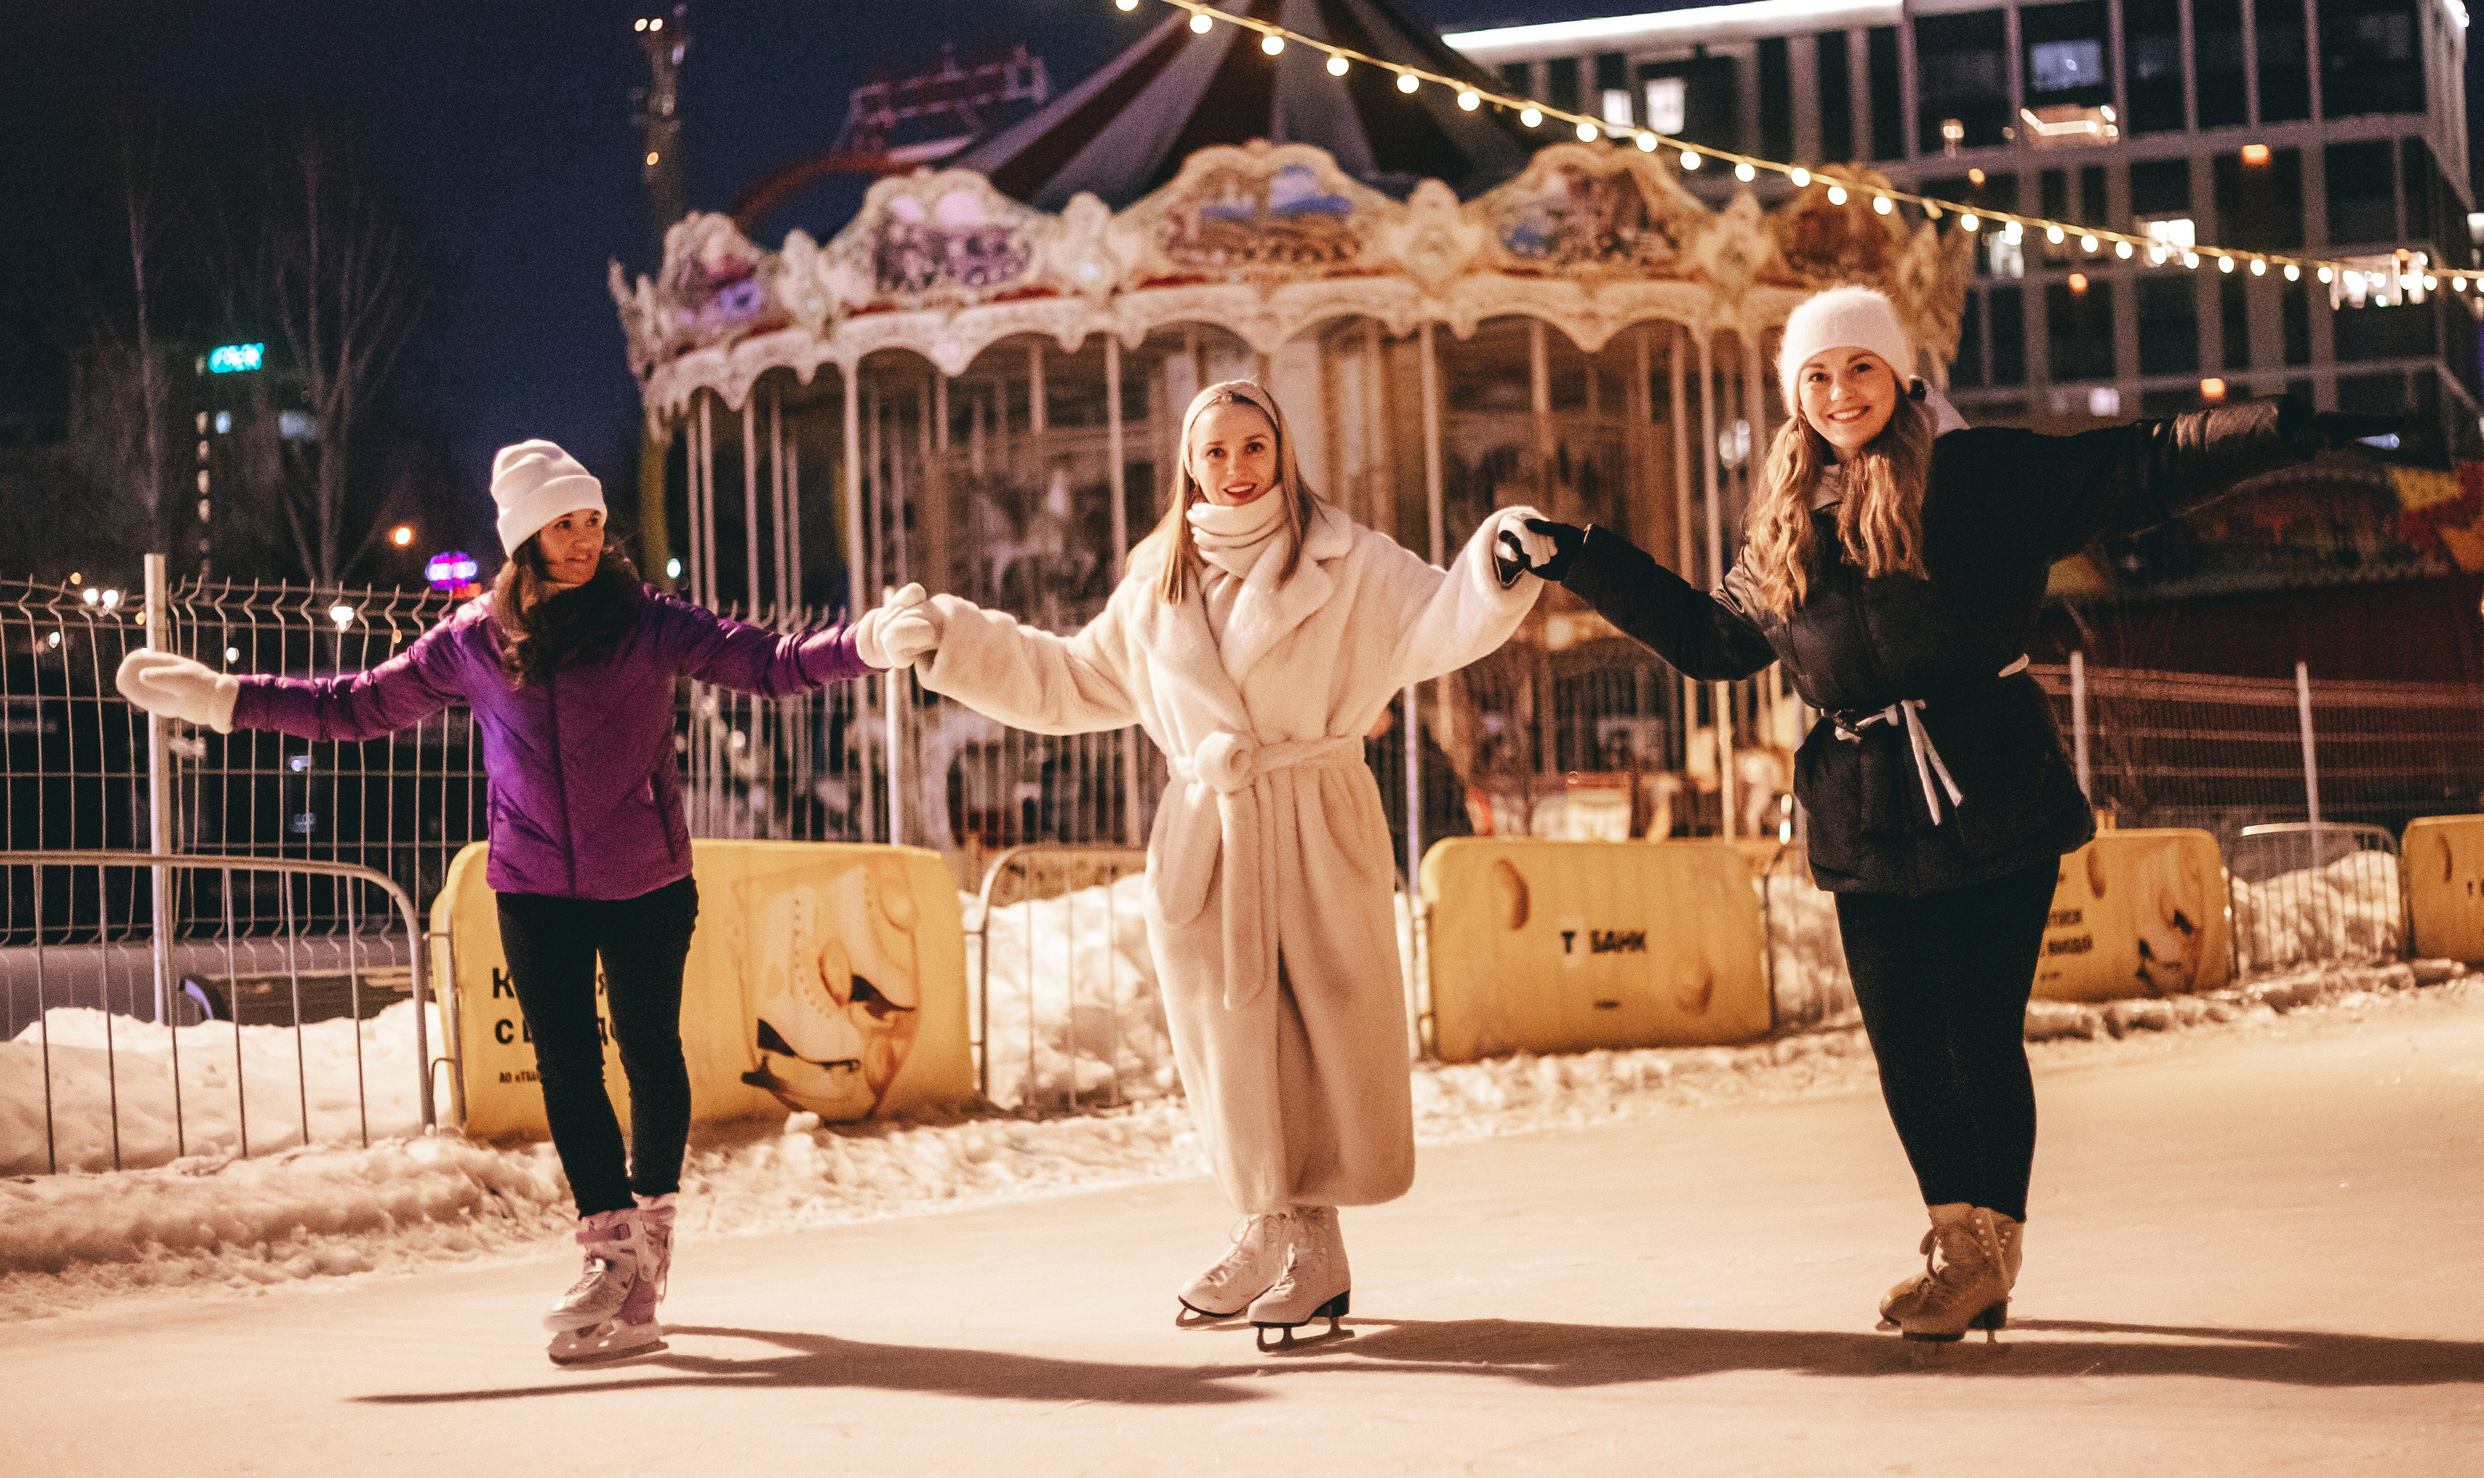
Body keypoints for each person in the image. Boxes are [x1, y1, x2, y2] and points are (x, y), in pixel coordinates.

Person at [1512, 287, 2394, 1342]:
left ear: (1900, 377)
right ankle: (1956, 1239)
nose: (1841, 392)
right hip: (1861, 806)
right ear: (1796, 393)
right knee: (1901, 1041)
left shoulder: (1978, 476)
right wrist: (1579, 556)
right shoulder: (1786, 521)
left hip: (1988, 781)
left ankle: (1986, 1249)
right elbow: (1710, 638)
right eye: (1819, 375)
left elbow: (2142, 463)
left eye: (1861, 369)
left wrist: (2282, 428)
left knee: (1974, 1031)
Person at [115, 440, 879, 1365]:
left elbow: (768, 662)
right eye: (565, 524)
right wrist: (231, 699)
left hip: (646, 878)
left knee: (646, 1046)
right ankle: (609, 1253)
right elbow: (358, 706)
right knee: (566, 1063)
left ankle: (650, 1221)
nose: (586, 539)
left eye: (594, 521)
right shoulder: (476, 640)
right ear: (525, 537)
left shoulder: (647, 624)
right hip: (530, 884)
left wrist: (863, 647)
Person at [858, 380, 1545, 1350]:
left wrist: (1497, 562)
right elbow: (1067, 677)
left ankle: (1316, 1246)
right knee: (1230, 1048)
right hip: (1207, 836)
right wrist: (953, 640)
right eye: (1214, 451)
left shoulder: (1349, 562)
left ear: (1282, 452)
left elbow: (1438, 618)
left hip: (1312, 816)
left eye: (1252, 445)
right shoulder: (1154, 588)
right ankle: (1268, 1231)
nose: (1235, 468)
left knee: (1320, 1034)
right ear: (1188, 463)